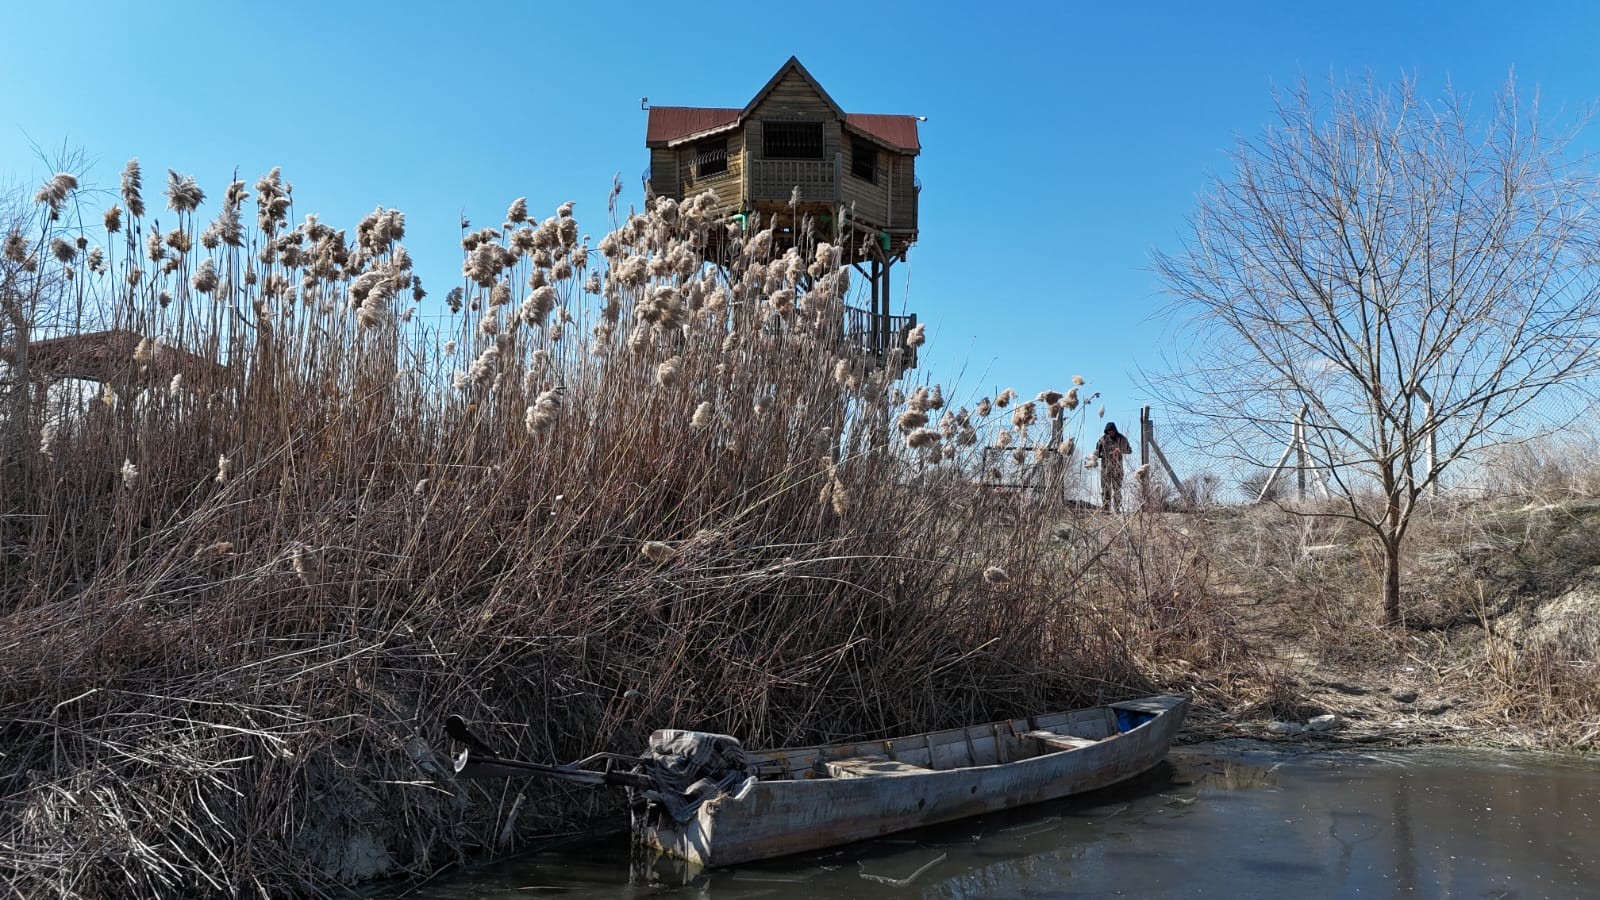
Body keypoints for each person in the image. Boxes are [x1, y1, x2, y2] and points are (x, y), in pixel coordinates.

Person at [1094, 422, 1133, 512]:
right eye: (1108, 431)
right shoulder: (1102, 439)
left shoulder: (1121, 439)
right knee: (1105, 490)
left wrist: (1120, 450)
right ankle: (1106, 510)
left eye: (1111, 431)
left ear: (1115, 430)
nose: (1110, 433)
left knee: (1117, 490)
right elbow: (1097, 452)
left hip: (1117, 468)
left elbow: (1129, 450)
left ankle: (1117, 509)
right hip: (1105, 468)